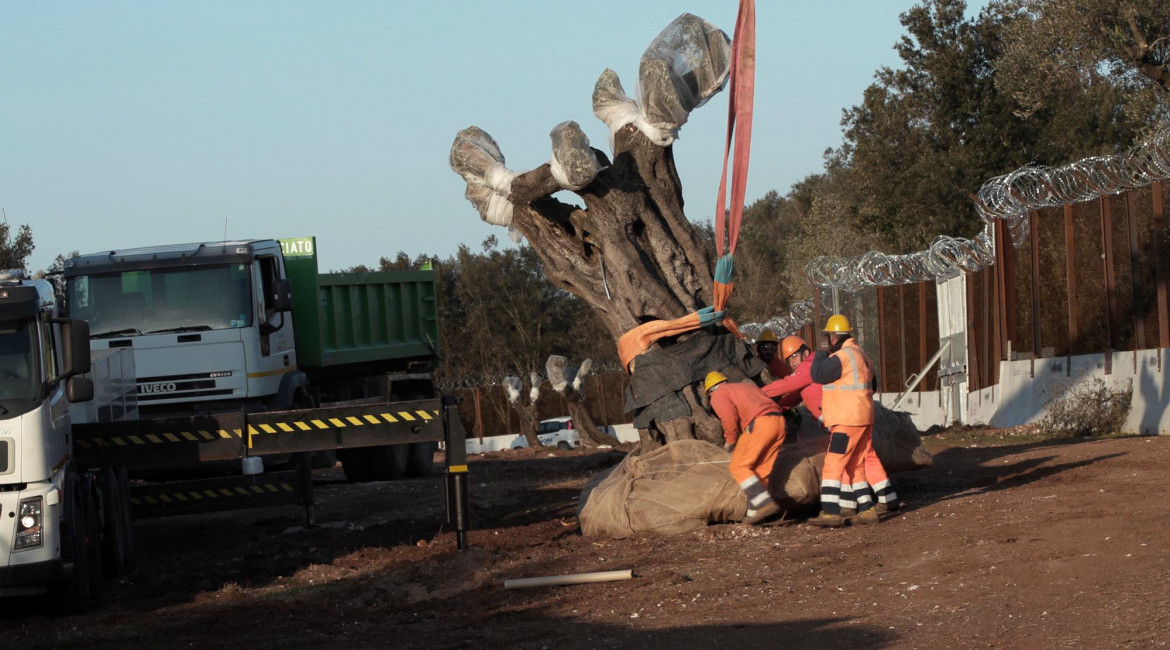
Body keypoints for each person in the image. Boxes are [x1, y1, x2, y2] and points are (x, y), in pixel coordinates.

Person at [805, 314, 895, 527]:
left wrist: (819, 355)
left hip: (846, 420)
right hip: (864, 418)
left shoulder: (842, 357)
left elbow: (817, 375)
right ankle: (867, 509)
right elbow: (872, 385)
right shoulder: (862, 356)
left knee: (833, 463)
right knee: (856, 464)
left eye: (828, 337)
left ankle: (829, 511)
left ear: (833, 337)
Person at [704, 370, 788, 525]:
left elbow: (728, 416)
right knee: (760, 473)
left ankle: (764, 504)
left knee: (738, 466)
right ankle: (754, 516)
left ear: (710, 390)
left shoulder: (718, 394)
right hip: (779, 423)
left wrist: (730, 440)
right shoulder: (746, 387)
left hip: (760, 425)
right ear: (724, 380)